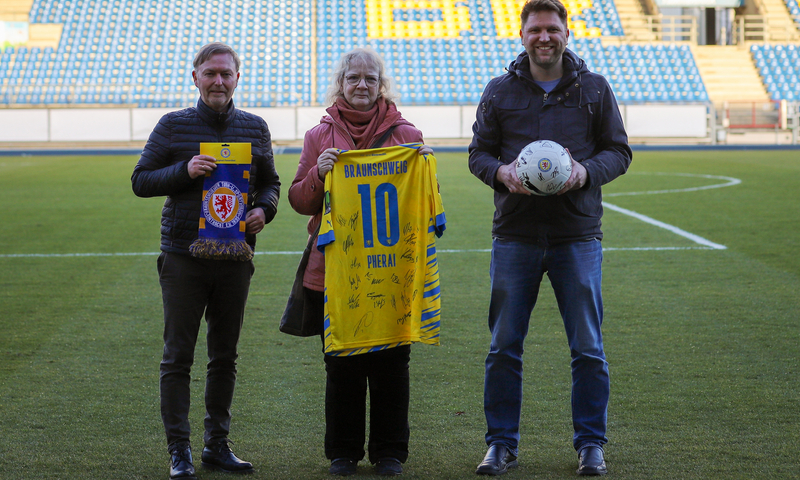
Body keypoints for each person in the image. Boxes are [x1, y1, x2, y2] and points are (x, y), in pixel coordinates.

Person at [468, 0, 632, 476]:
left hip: (576, 235)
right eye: (536, 29)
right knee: (503, 347)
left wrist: (585, 172)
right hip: (515, 235)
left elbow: (618, 151)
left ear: (566, 34)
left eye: (552, 29)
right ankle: (500, 444)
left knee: (588, 348)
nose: (544, 37)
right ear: (522, 36)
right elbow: (478, 153)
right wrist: (500, 173)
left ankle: (591, 444)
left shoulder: (594, 88)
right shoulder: (499, 90)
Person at [132, 42, 280, 480]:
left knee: (224, 356)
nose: (218, 81)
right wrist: (185, 170)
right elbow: (140, 180)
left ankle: (217, 445)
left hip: (235, 257)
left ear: (237, 79)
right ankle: (179, 450)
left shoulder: (254, 127)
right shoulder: (173, 125)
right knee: (178, 357)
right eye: (210, 73)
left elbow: (270, 184)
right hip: (184, 257)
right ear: (195, 77)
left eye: (226, 74)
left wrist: (264, 210)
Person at [288, 47, 435, 477]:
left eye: (370, 78)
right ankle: (343, 452)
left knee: (392, 364)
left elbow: (423, 206)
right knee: (342, 364)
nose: (362, 85)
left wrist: (425, 171)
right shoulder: (319, 136)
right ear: (341, 83)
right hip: (334, 269)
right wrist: (317, 173)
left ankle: (390, 452)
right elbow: (299, 200)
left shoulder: (407, 135)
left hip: (392, 268)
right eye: (353, 78)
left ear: (381, 84)